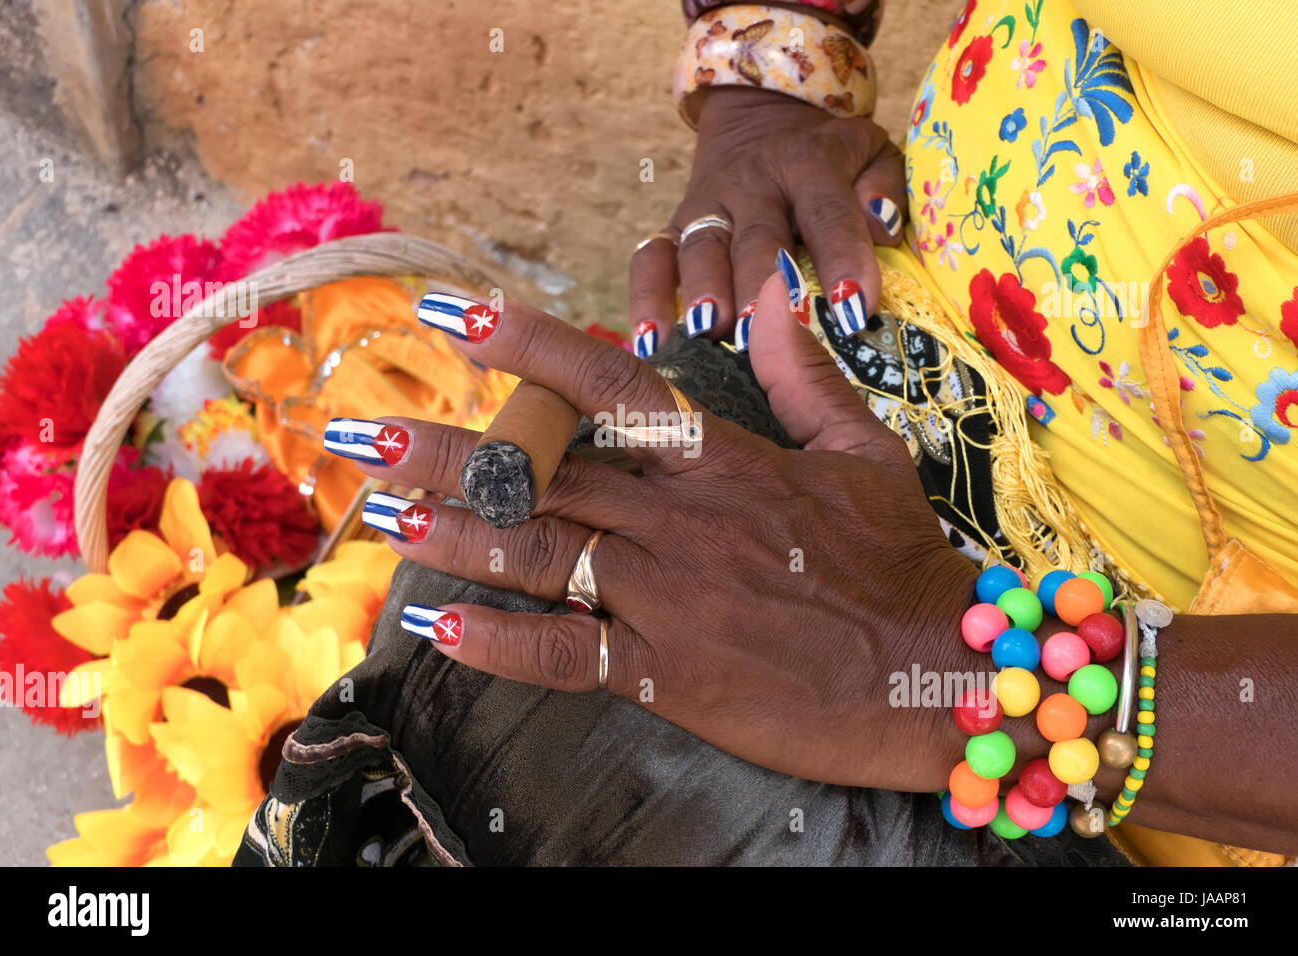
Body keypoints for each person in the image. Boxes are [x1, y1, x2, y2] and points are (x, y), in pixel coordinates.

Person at [235, 0, 1298, 867]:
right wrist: (770, 65)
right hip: (849, 348)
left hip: (1190, 751)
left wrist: (946, 669)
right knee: (504, 640)